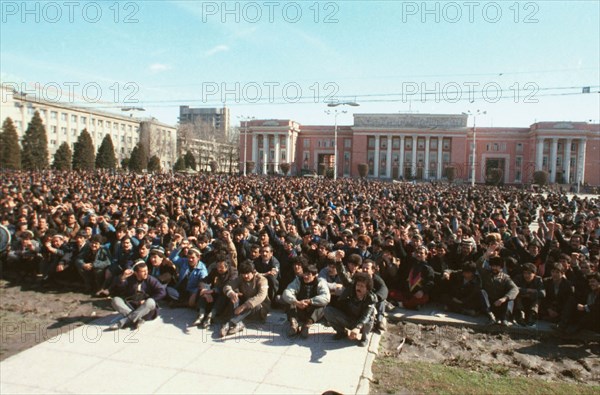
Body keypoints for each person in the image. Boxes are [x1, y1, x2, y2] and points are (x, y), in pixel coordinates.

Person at [108, 260, 166, 330]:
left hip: (146, 310)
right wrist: (123, 278)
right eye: (143, 271)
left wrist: (146, 300)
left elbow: (162, 292)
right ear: (136, 273)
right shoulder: (130, 279)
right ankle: (137, 319)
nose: (146, 273)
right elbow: (119, 289)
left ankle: (123, 322)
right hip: (132, 306)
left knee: (151, 302)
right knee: (115, 300)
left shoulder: (150, 279)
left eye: (146, 270)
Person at [324, 271, 377, 347]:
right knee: (328, 311)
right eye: (358, 285)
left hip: (362, 324)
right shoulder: (351, 290)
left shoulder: (371, 298)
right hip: (350, 319)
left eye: (362, 286)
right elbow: (343, 276)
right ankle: (341, 332)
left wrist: (358, 327)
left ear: (367, 289)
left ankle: (364, 338)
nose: (359, 288)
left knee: (370, 318)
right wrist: (338, 262)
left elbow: (366, 316)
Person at [220, 260, 270, 337]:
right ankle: (239, 324)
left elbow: (261, 296)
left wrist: (244, 306)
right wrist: (231, 293)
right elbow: (227, 286)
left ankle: (229, 323)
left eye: (247, 274)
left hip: (259, 308)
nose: (245, 276)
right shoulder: (241, 278)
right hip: (243, 308)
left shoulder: (262, 280)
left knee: (253, 304)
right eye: (243, 274)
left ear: (253, 272)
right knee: (234, 298)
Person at [281, 264, 330, 338]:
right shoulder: (298, 280)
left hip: (312, 311)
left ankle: (307, 325)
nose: (305, 276)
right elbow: (287, 292)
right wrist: (297, 302)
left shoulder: (320, 282)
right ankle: (293, 324)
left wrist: (310, 301)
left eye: (309, 274)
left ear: (315, 275)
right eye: (304, 273)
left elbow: (326, 297)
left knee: (323, 305)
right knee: (290, 300)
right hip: (299, 308)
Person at [192, 253, 238, 328]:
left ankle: (210, 316)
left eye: (221, 267)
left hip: (227, 295)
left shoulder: (233, 272)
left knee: (223, 296)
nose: (219, 269)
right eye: (218, 266)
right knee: (203, 292)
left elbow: (228, 285)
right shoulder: (214, 271)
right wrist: (205, 291)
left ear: (227, 266)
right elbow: (204, 281)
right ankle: (201, 314)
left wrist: (213, 291)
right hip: (213, 293)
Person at [513, 262, 545, 326]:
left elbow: (542, 293)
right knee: (517, 296)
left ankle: (532, 315)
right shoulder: (518, 278)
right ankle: (520, 315)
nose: (526, 275)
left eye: (529, 273)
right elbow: (514, 288)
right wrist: (527, 290)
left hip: (531, 301)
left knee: (538, 299)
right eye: (525, 273)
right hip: (521, 301)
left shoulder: (538, 280)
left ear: (534, 274)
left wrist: (530, 294)